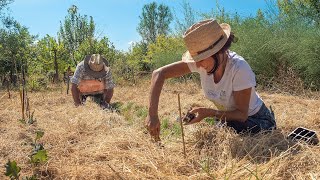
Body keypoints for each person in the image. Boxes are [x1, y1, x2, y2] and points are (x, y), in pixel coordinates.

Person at [145, 19, 276, 140]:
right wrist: (152, 115)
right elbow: (159, 73)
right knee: (216, 135)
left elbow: (241, 115)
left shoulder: (239, 69)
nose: (198, 64)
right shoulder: (201, 62)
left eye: (201, 58)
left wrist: (209, 113)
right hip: (229, 119)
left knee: (223, 134)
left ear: (218, 51)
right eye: (195, 59)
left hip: (257, 120)